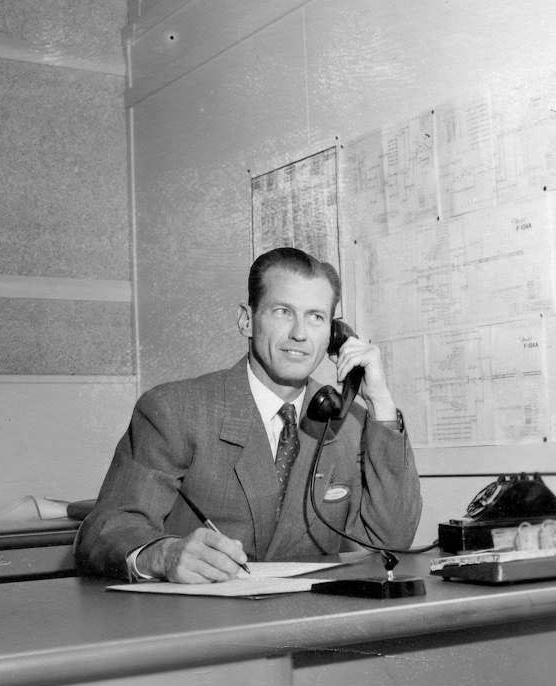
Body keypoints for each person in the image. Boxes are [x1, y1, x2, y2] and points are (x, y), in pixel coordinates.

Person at [74, 247, 421, 582]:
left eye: (316, 317)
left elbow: (389, 541)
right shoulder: (174, 410)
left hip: (305, 626)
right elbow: (105, 530)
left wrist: (380, 402)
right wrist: (164, 555)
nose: (300, 333)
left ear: (334, 334)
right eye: (283, 311)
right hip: (200, 627)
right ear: (246, 320)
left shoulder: (348, 424)